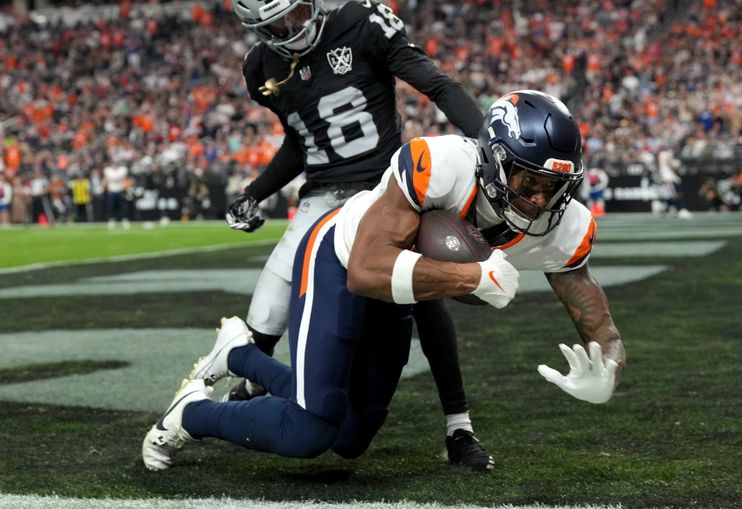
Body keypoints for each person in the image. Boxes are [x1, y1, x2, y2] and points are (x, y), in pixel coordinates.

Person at [142, 90, 627, 471]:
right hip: (339, 257)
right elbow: (366, 270)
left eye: (554, 187)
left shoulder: (566, 227)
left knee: (350, 437)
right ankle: (191, 414)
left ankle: (238, 354)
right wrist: (471, 275)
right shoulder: (440, 165)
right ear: (495, 161)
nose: (541, 202)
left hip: (399, 291)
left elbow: (592, 310)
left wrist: (609, 368)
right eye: (529, 182)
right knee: (312, 429)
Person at [221, 0, 491, 469]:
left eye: (297, 13)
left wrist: (489, 144)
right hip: (322, 197)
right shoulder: (260, 66)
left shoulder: (362, 23)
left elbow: (437, 84)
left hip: (388, 187)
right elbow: (299, 141)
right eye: (276, 25)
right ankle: (241, 387)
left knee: (427, 294)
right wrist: (256, 190)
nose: (292, 27)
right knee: (266, 310)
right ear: (254, 29)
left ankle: (459, 426)